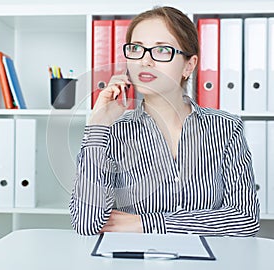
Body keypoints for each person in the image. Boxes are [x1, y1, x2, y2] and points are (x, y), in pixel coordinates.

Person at [70, 6, 260, 236]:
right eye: (137, 49)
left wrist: (146, 224)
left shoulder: (226, 128)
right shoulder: (112, 131)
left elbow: (245, 220)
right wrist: (97, 127)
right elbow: (86, 223)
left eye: (161, 50)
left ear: (188, 65)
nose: (145, 61)